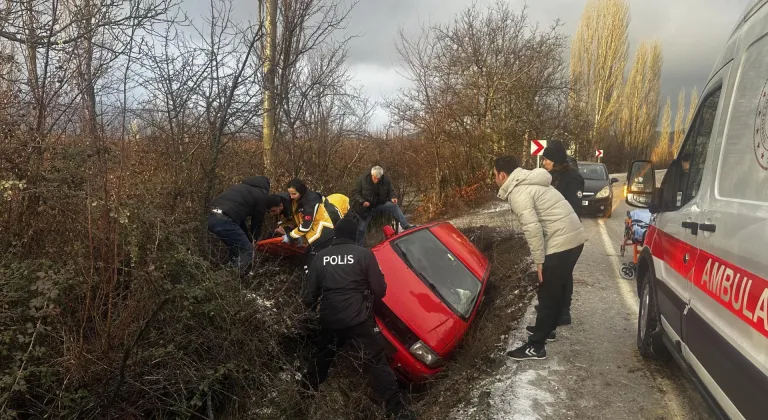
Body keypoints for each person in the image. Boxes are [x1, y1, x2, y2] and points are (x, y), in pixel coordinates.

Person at [300, 217, 415, 420]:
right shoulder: (364, 255)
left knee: (322, 358)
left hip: (330, 320)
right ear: (354, 235)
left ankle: (303, 398)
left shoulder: (321, 257)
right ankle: (397, 411)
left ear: (336, 234)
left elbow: (309, 296)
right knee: (377, 362)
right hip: (359, 320)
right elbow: (380, 290)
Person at [493, 156, 587, 361]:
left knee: (547, 292)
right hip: (574, 238)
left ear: (502, 174)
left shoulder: (519, 192)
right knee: (557, 288)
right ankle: (547, 329)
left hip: (562, 242)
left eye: (494, 174)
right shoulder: (530, 181)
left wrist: (539, 261)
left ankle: (536, 346)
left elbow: (533, 229)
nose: (494, 179)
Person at [540, 140, 584, 326]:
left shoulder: (573, 179)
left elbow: (573, 209)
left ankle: (563, 311)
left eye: (546, 160)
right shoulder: (550, 177)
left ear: (555, 160)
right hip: (553, 232)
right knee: (556, 272)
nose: (543, 163)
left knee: (563, 272)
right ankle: (553, 307)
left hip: (567, 233)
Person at [207, 176, 270, 276]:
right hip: (225, 219)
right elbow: (258, 219)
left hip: (212, 216)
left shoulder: (240, 187)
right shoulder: (262, 194)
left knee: (236, 247)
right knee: (247, 251)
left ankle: (230, 271)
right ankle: (230, 279)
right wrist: (255, 239)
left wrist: (249, 239)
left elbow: (239, 224)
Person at [284, 179, 350, 269]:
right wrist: (300, 236)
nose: (291, 197)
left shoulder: (311, 202)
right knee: (308, 261)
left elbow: (306, 226)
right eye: (290, 194)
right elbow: (302, 222)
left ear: (301, 191)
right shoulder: (299, 200)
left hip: (324, 235)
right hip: (316, 236)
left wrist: (291, 236)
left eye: (294, 194)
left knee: (315, 263)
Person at [352, 166, 414, 246]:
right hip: (366, 207)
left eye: (378, 178)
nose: (376, 180)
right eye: (375, 178)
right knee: (361, 228)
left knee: (393, 205)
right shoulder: (363, 179)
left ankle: (405, 225)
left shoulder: (385, 180)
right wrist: (362, 201)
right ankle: (358, 245)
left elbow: (391, 191)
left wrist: (393, 197)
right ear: (371, 175)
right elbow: (355, 193)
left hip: (379, 204)